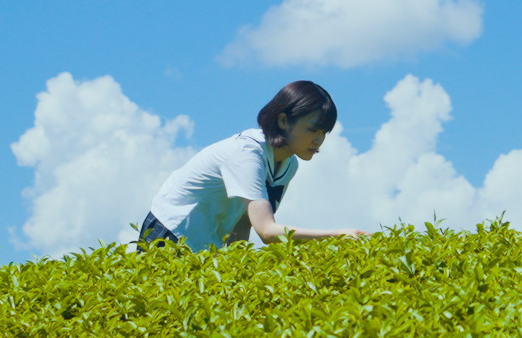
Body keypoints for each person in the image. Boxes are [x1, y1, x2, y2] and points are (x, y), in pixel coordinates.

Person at [137, 81, 368, 251]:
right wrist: (337, 235)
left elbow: (244, 223)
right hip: (169, 230)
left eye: (324, 132)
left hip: (204, 245)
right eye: (313, 130)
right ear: (283, 120)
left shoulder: (288, 165)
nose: (319, 140)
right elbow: (267, 231)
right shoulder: (247, 154)